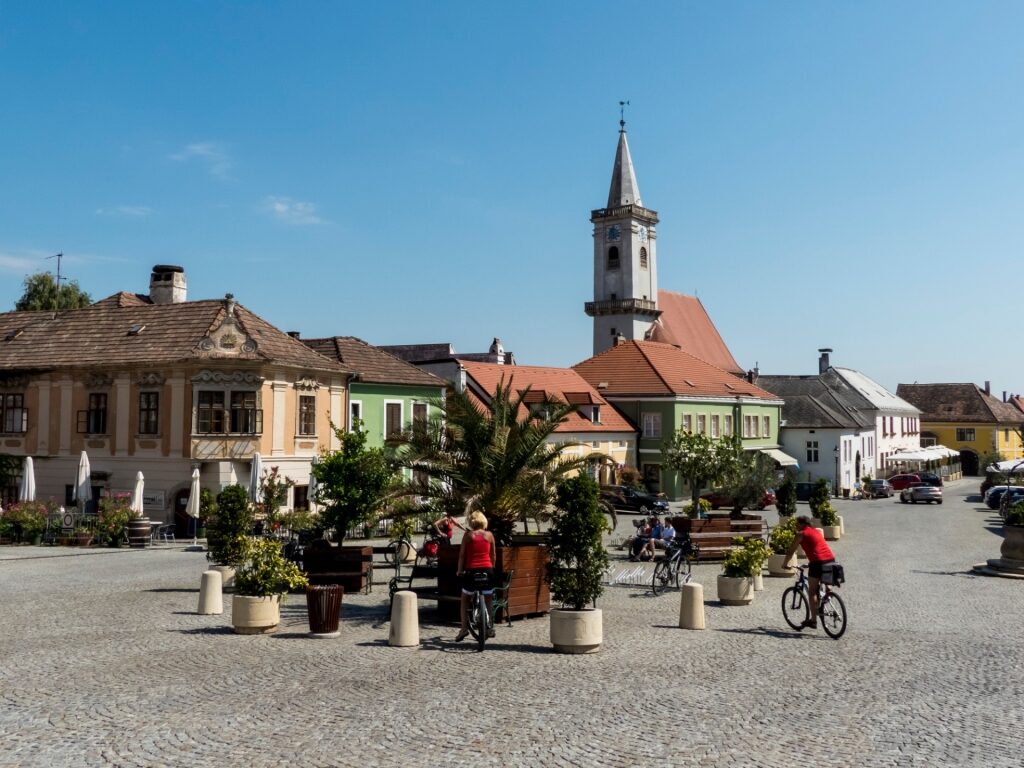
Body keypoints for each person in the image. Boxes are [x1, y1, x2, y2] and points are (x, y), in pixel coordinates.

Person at [785, 515, 835, 630]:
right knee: (825, 581)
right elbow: (817, 547)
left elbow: (791, 551)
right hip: (830, 560)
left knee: (812, 592)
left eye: (797, 523)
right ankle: (829, 593)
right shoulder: (816, 531)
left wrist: (785, 564)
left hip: (817, 563)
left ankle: (813, 621)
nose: (795, 526)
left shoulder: (801, 534)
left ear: (803, 524)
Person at [455, 510, 496, 642]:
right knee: (489, 599)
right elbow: (493, 555)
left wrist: (459, 570)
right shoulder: (489, 535)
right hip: (487, 570)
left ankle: (464, 629)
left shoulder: (467, 536)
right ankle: (490, 627)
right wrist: (492, 568)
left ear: (472, 522)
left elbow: (462, 555)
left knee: (465, 599)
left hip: (472, 571)